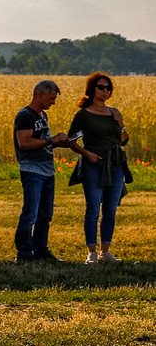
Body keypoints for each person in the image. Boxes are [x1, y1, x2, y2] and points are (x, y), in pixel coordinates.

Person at [13, 79, 93, 262]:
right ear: (39, 94)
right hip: (32, 170)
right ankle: (24, 254)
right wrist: (51, 140)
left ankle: (41, 251)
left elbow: (42, 142)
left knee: (45, 214)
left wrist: (58, 143)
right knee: (30, 213)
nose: (53, 102)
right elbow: (24, 143)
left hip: (47, 170)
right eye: (51, 98)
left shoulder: (43, 116)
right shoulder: (25, 116)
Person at [68, 71, 129, 264]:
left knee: (110, 209)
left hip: (116, 164)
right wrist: (87, 154)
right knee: (93, 208)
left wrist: (120, 123)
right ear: (91, 90)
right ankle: (91, 252)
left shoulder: (114, 113)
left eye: (108, 88)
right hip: (93, 164)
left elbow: (124, 140)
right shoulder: (83, 115)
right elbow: (71, 140)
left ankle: (105, 251)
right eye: (101, 87)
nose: (105, 91)